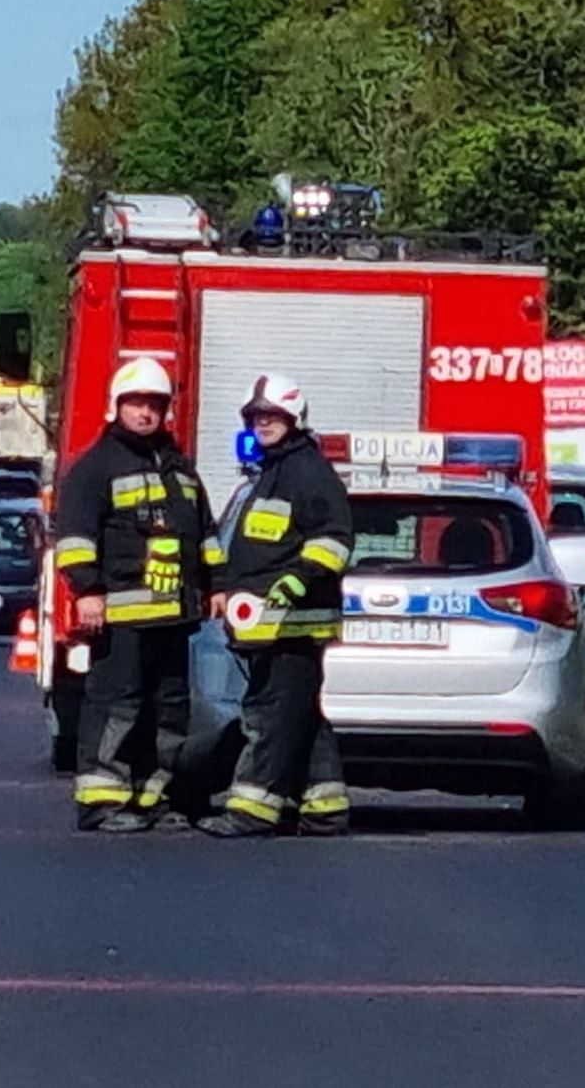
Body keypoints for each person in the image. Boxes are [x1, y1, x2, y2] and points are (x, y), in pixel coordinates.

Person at [50, 357, 223, 832]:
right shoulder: (95, 468)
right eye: (136, 403)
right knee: (116, 706)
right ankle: (102, 799)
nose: (146, 412)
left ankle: (155, 795)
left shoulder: (180, 469)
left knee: (169, 710)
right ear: (117, 407)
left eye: (154, 404)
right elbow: (74, 538)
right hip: (121, 617)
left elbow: (204, 534)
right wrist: (86, 590)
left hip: (175, 619)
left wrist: (217, 587)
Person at [200, 373, 356, 839]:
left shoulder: (308, 472)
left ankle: (253, 808)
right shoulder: (272, 470)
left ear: (294, 419)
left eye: (273, 416)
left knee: (269, 714)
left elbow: (334, 541)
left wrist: (293, 584)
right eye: (257, 416)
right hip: (269, 623)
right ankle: (325, 806)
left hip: (295, 621)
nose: (263, 423)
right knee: (300, 713)